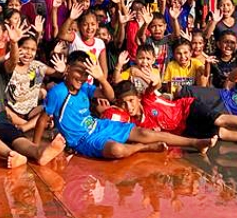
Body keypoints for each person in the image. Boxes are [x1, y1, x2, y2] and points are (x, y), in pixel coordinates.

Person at [35, 52, 216, 160]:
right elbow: (43, 120)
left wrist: (100, 78)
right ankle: (143, 147)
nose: (82, 77)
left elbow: (111, 96)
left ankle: (195, 142)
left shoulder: (84, 87)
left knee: (145, 133)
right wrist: (35, 148)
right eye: (78, 72)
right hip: (83, 140)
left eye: (86, 74)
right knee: (117, 150)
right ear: (67, 69)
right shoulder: (57, 93)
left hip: (100, 126)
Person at [0, 15, 65, 168]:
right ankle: (11, 154)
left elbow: (13, 61)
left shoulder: (0, 72)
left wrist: (14, 43)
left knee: (15, 135)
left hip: (0, 121)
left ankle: (38, 153)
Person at [106, 79, 237, 149]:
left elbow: (155, 84)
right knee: (222, 134)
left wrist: (153, 81)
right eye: (123, 103)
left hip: (188, 108)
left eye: (131, 100)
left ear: (137, 97)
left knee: (220, 120)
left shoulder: (147, 99)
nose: (128, 106)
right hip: (184, 128)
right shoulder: (136, 126)